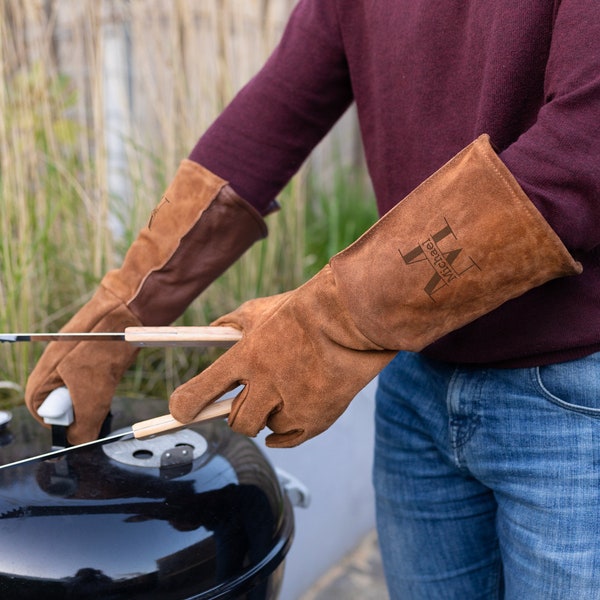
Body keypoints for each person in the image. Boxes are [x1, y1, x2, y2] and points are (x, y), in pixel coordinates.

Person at [25, 1, 600, 598]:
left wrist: (331, 321)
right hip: (417, 380)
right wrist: (126, 302)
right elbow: (273, 116)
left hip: (571, 399)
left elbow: (578, 156)